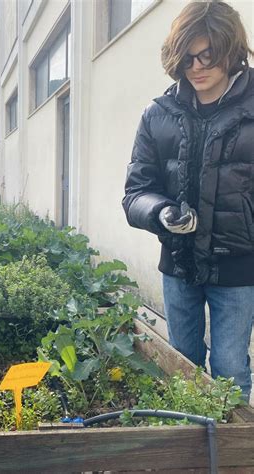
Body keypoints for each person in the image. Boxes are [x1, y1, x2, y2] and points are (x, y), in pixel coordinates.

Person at [123, 1, 254, 401]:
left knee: (231, 369)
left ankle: (233, 456)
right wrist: (161, 213)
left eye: (207, 55)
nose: (196, 67)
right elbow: (135, 193)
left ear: (231, 52)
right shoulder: (157, 114)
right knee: (182, 366)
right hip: (178, 264)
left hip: (237, 268)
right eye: (187, 58)